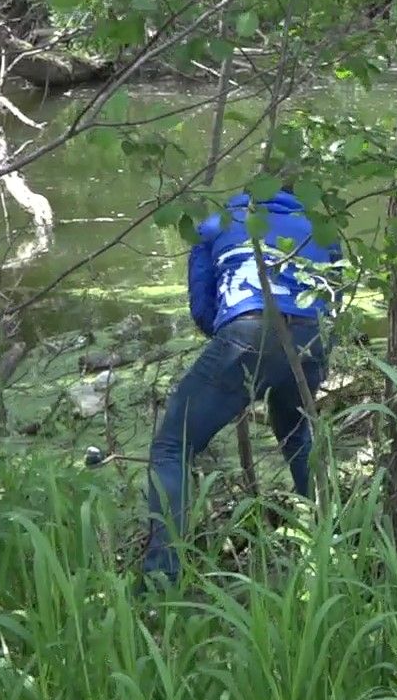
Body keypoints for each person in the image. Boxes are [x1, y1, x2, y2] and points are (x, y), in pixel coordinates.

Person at [141, 186, 341, 583]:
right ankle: (331, 545)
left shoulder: (215, 225)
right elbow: (333, 300)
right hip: (312, 339)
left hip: (247, 333)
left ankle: (161, 579)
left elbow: (202, 310)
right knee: (299, 436)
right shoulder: (324, 231)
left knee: (172, 448)